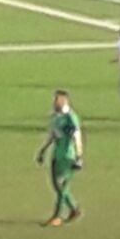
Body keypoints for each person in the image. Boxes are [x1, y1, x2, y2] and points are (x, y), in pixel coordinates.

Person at [34, 89, 84, 227]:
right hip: (57, 154)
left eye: (57, 100)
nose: (54, 102)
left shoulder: (70, 118)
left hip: (68, 156)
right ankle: (74, 209)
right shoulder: (55, 117)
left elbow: (77, 137)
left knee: (61, 185)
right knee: (57, 185)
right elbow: (53, 136)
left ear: (64, 101)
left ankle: (57, 216)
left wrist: (79, 156)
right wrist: (43, 151)